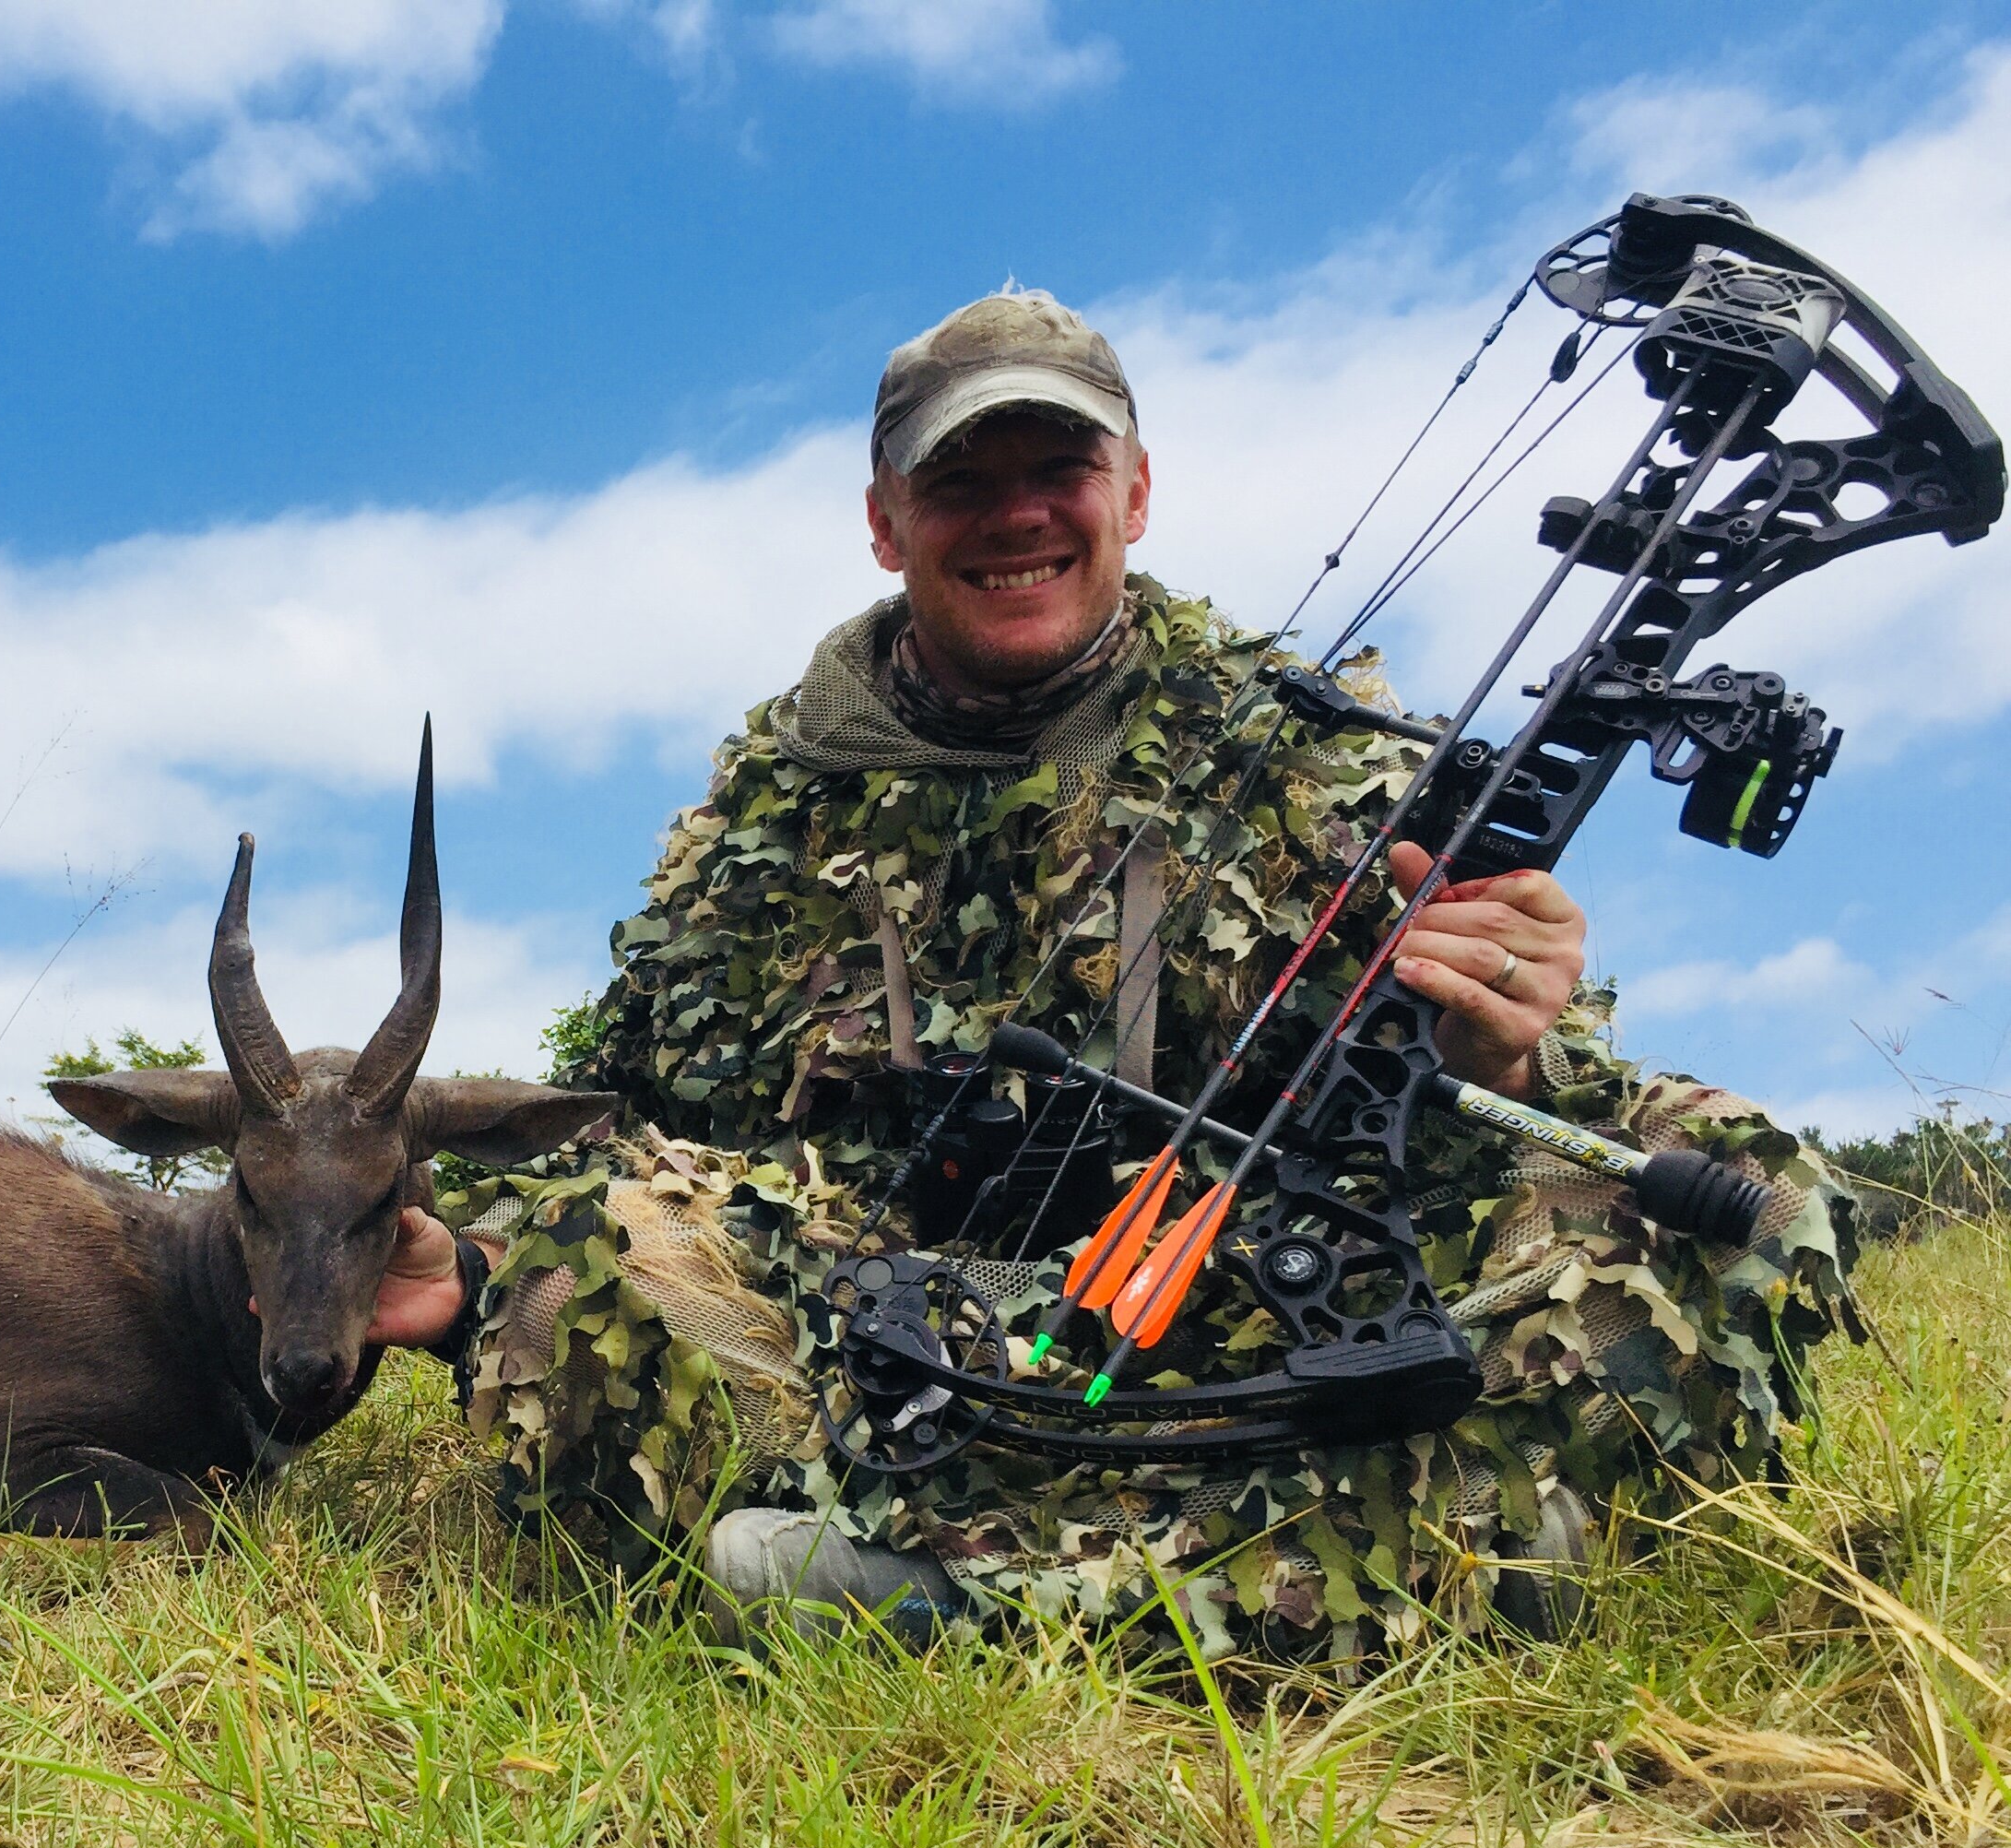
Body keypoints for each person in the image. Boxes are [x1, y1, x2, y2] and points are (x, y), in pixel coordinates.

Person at [366, 287, 1857, 1660]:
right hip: (893, 1326)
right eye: (961, 480)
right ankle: (1403, 1564)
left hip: (1267, 1299)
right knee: (582, 1236)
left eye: (1060, 470)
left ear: (1135, 491)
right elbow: (650, 1146)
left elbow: (1521, 1097)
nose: (1016, 516)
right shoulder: (755, 829)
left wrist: (1507, 1053)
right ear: (886, 523)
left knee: (1735, 1174)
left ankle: (972, 1605)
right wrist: (484, 1271)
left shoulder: (1325, 754)